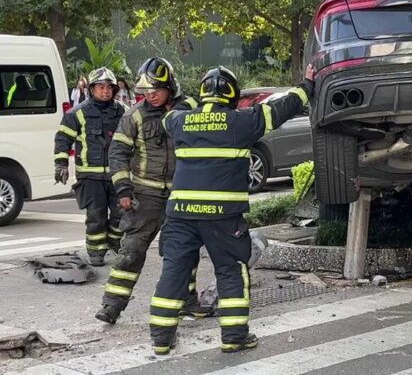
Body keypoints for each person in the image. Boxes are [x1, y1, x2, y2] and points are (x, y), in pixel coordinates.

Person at [149, 65, 314, 355]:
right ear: (232, 95)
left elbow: (168, 117)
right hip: (222, 217)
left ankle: (161, 340)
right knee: (230, 271)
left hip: (180, 214)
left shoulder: (178, 121)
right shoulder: (242, 122)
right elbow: (280, 108)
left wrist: (186, 100)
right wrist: (307, 85)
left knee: (173, 272)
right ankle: (234, 337)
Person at [95, 57, 211, 325]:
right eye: (146, 91)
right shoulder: (134, 115)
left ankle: (187, 301)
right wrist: (123, 189)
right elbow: (118, 153)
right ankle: (111, 306)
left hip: (181, 195)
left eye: (156, 89)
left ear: (171, 85)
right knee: (132, 250)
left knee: (183, 251)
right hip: (144, 197)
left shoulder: (190, 109)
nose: (151, 95)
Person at [54, 68, 126, 266]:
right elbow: (62, 140)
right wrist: (60, 165)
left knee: (121, 214)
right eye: (101, 87)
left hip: (117, 174)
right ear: (92, 89)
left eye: (109, 88)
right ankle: (96, 252)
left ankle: (114, 241)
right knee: (96, 216)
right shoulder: (76, 114)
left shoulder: (123, 112)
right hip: (89, 176)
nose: (105, 92)